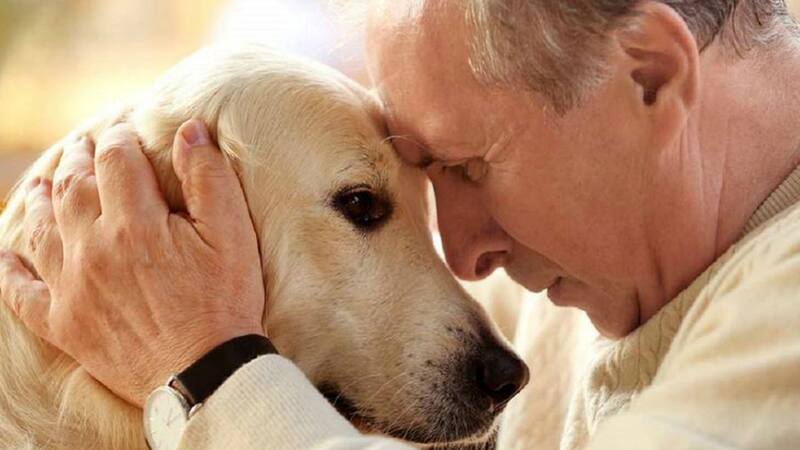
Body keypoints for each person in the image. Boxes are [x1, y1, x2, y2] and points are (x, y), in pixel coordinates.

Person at [2, 0, 800, 448]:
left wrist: (203, 369)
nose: (464, 253)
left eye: (469, 167)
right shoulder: (591, 268)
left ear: (649, 75)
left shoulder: (784, 320)